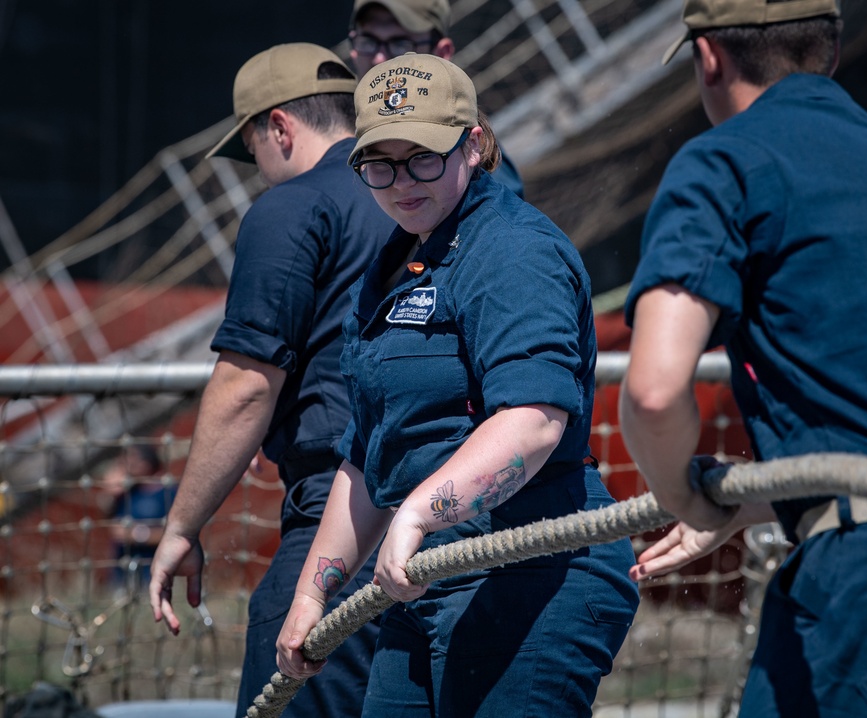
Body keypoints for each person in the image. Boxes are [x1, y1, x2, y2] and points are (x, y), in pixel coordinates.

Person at [620, 0, 867, 715]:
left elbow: (651, 390)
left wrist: (687, 499)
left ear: (708, 58)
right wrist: (754, 498)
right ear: (830, 52)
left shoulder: (724, 159)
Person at [275, 53, 639, 716]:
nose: (400, 182)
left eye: (422, 158)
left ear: (473, 144)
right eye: (378, 164)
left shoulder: (513, 250)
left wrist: (415, 515)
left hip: (532, 567)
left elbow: (533, 421)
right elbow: (368, 455)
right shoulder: (392, 263)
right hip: (422, 578)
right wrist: (310, 597)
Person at [147, 43, 396, 717]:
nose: (259, 172)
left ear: (280, 128)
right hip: (459, 526)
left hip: (341, 526)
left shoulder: (293, 207)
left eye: (253, 149)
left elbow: (246, 384)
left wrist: (181, 527)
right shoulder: (427, 196)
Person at [347, 0, 526, 198]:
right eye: (368, 41)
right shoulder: (339, 123)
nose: (379, 58)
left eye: (401, 45)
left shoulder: (462, 138)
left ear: (443, 52)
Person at [99, 443, 172, 589]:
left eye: (130, 460)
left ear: (145, 463)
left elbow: (174, 533)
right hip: (122, 571)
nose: (124, 466)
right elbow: (109, 522)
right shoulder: (128, 491)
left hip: (153, 572)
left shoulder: (167, 492)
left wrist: (137, 534)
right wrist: (110, 493)